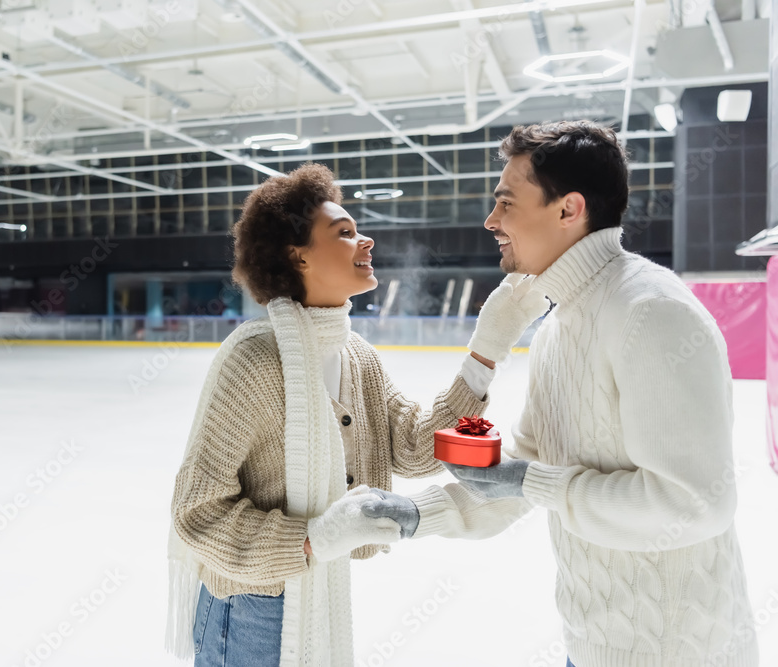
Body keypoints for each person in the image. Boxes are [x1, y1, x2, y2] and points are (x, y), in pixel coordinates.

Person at [363, 121, 759, 666]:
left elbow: (694, 505)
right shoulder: (554, 330)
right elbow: (523, 480)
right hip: (589, 644)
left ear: (568, 209)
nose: (491, 221)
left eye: (506, 203)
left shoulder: (651, 313)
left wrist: (532, 480)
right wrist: (410, 513)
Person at [165, 162, 543, 666]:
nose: (366, 242)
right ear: (296, 255)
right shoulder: (253, 362)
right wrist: (311, 540)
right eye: (344, 233)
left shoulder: (357, 355)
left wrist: (486, 349)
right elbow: (197, 512)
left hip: (318, 587)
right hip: (251, 604)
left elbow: (410, 447)